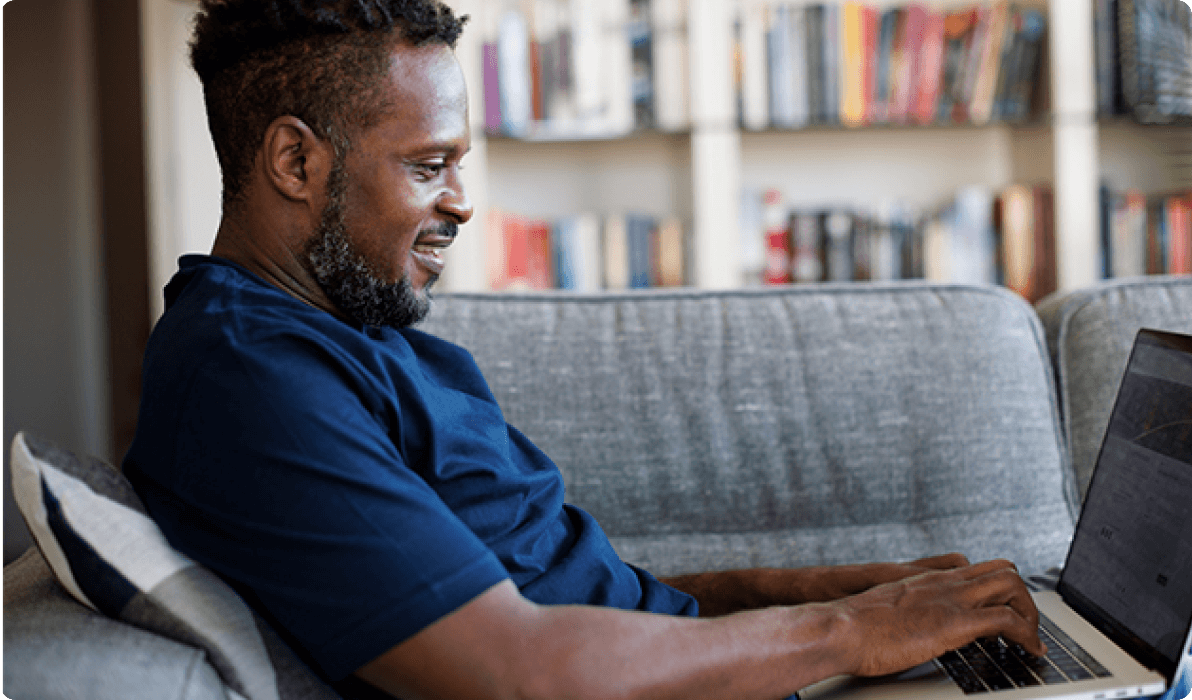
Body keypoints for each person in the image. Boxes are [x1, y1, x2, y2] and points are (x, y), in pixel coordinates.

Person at [123, 2, 1047, 699]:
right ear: (296, 162)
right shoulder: (248, 380)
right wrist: (845, 633)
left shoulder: (346, 330)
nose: (462, 201)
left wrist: (808, 589)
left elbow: (555, 597)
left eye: (461, 164)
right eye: (427, 164)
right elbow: (516, 666)